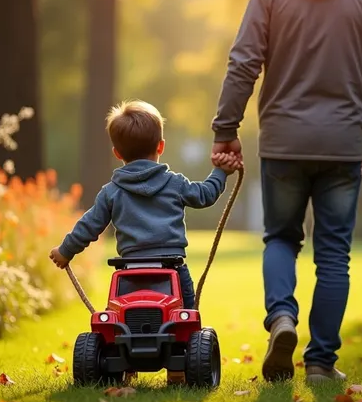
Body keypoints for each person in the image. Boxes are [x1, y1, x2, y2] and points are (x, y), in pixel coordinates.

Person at [211, 0, 362, 383]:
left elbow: (243, 63)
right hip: (342, 144)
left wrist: (225, 129)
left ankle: (282, 319)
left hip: (283, 143)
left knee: (281, 238)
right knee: (333, 253)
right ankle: (319, 364)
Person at [50, 99, 239, 309]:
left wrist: (65, 251)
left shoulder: (111, 192)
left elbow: (89, 226)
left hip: (130, 275)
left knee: (120, 324)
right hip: (172, 271)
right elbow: (206, 194)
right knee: (187, 322)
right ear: (161, 146)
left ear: (117, 153)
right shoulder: (174, 184)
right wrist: (221, 171)